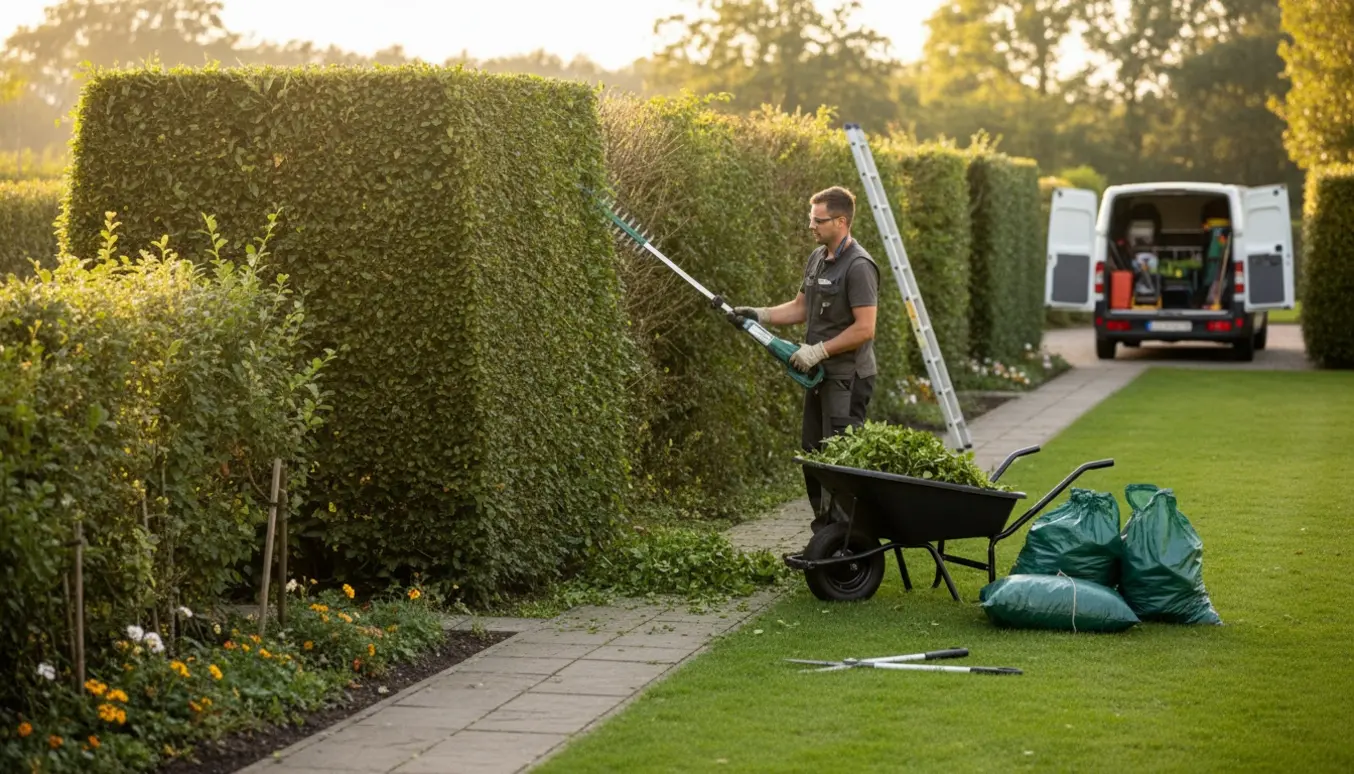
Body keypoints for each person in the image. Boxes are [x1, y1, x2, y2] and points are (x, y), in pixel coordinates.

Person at [731, 185, 880, 533]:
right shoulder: (818, 257)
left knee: (840, 459)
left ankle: (846, 539)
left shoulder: (859, 266)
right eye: (809, 218)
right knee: (812, 453)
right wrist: (758, 314)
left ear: (841, 222)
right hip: (818, 376)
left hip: (847, 378)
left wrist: (819, 350)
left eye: (818, 220)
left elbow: (865, 328)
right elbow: (800, 307)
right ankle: (825, 531)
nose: (810, 225)